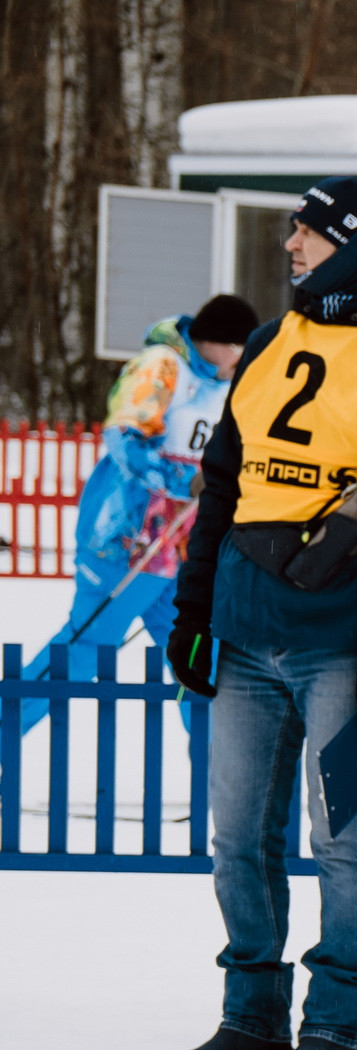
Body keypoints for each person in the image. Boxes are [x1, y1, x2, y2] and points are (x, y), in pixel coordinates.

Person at [163, 175, 357, 1050]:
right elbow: (223, 488)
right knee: (237, 836)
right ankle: (250, 1016)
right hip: (248, 637)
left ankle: (334, 1023)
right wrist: (194, 610)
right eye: (292, 231)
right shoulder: (268, 339)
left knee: (347, 842)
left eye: (308, 234)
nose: (291, 246)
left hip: (343, 644)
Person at [18, 296, 257, 735]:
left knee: (198, 658)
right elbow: (125, 437)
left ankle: (220, 785)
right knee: (87, 645)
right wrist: (185, 483)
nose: (243, 362)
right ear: (218, 343)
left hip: (184, 551)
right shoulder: (163, 366)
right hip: (130, 542)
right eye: (240, 350)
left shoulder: (227, 384)